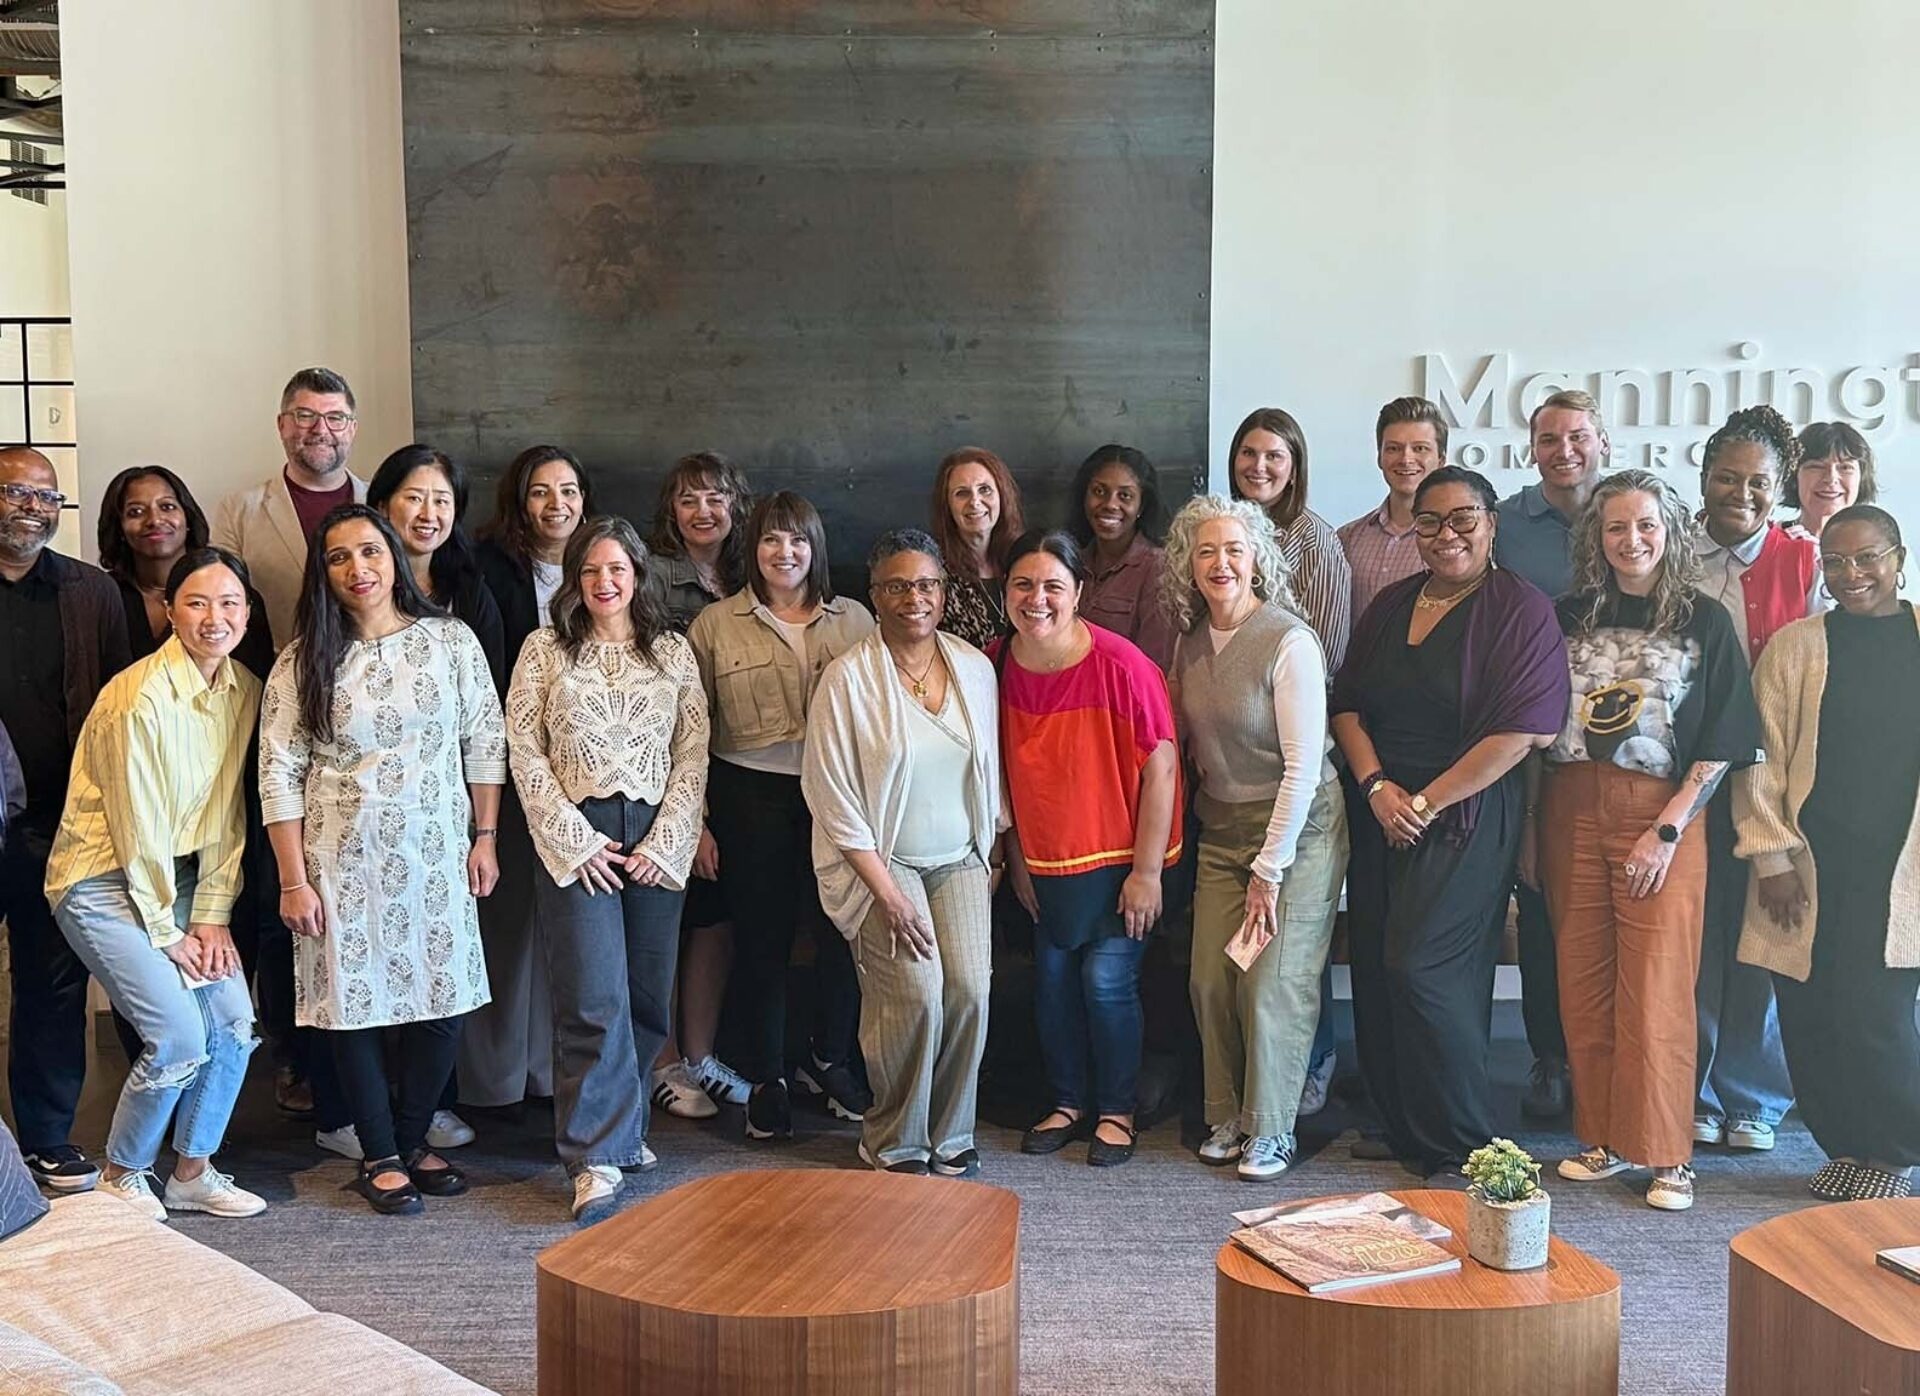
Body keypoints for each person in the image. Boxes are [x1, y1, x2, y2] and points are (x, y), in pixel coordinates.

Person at [260, 506, 506, 1215]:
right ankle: (380, 1152)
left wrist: (485, 835)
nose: (358, 569)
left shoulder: (449, 641)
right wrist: (292, 880)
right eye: (339, 558)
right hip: (340, 858)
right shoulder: (303, 657)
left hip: (436, 853)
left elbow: (484, 739)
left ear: (395, 556)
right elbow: (278, 772)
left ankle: (409, 1137)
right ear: (324, 573)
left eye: (370, 551)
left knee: (444, 1003)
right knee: (353, 1008)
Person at [1331, 466, 1568, 1175]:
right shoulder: (1394, 603)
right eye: (1429, 521)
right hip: (1381, 810)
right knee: (1378, 965)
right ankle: (1400, 1121)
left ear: (1493, 522)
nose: (1446, 534)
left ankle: (1464, 1139)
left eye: (1462, 517)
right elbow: (1346, 705)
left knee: (1425, 967)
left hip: (1465, 813)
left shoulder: (1520, 609)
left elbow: (1522, 731)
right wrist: (1376, 786)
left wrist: (1426, 802)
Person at [1535, 471, 1760, 1212]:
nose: (1631, 541)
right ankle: (1601, 1138)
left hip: (1663, 811)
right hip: (1570, 805)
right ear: (1595, 537)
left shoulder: (1704, 619)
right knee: (1585, 980)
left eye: (1646, 526)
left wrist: (1668, 828)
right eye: (1615, 528)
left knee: (1659, 988)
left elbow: (1727, 736)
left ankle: (1667, 1154)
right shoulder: (1568, 614)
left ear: (1670, 531)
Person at [44, 547, 269, 1221]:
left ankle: (193, 1173)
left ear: (247, 613)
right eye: (196, 602)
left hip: (182, 885)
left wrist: (211, 917)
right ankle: (122, 1174)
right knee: (176, 1035)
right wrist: (169, 930)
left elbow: (228, 817)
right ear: (169, 611)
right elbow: (136, 825)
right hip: (101, 880)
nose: (214, 617)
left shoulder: (246, 689)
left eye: (229, 603)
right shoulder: (137, 697)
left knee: (232, 1023)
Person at [507, 517, 709, 1221]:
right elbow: (524, 752)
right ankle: (593, 1156)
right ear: (574, 579)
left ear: (638, 574)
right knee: (592, 995)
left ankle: (624, 1130)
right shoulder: (544, 651)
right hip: (578, 836)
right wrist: (574, 837)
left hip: (656, 834)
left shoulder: (672, 652)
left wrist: (668, 838)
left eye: (616, 568)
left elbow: (693, 750)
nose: (604, 582)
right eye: (590, 570)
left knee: (647, 994)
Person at [803, 529, 1002, 1176]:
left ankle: (951, 1131)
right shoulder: (848, 679)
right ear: (875, 594)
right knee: (916, 994)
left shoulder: (975, 667)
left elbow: (989, 770)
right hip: (883, 864)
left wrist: (991, 855)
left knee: (970, 990)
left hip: (962, 858)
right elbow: (830, 795)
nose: (913, 598)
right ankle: (893, 1137)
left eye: (926, 585)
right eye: (897, 586)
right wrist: (885, 893)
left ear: (943, 592)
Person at [1737, 505, 1920, 1201]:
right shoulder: (1796, 647)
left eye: (1867, 558)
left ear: (1898, 557)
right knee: (1810, 1013)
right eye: (1836, 562)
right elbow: (1760, 763)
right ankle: (1847, 1143)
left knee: (1876, 1016)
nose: (1852, 575)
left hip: (1900, 872)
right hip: (1808, 869)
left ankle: (1894, 1148)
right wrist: (1771, 859)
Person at [1164, 497, 1347, 1180]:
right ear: (1188, 563)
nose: (1220, 563)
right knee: (1211, 978)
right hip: (1223, 825)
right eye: (1206, 551)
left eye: (1234, 550)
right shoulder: (1188, 643)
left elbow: (1303, 767)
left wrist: (1270, 866)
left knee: (1271, 982)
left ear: (1258, 559)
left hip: (1298, 830)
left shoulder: (1288, 640)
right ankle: (1227, 1113)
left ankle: (1272, 1130)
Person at [688, 491, 875, 1139]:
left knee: (843, 934)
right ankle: (767, 1078)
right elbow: (690, 732)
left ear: (815, 547)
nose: (784, 552)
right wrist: (700, 820)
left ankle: (832, 1059)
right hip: (749, 798)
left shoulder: (855, 620)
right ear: (753, 549)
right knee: (762, 942)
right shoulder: (716, 625)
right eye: (771, 539)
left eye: (797, 539)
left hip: (836, 797)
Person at [998, 530, 1181, 1168]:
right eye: (1023, 584)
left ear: (1078, 592)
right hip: (1045, 861)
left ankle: (1117, 1110)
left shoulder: (1123, 664)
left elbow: (1161, 769)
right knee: (1052, 983)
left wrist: (1147, 872)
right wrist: (1017, 857)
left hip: (1121, 860)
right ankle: (1069, 1101)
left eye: (1053, 585)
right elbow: (998, 775)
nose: (1037, 598)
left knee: (1107, 983)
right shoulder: (996, 664)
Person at [368, 443, 509, 1150]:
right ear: (385, 502)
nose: (428, 514)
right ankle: (371, 1119)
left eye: (442, 502)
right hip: (363, 816)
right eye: (415, 497)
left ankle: (428, 1106)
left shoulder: (468, 593)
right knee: (369, 960)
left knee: (441, 961)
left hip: (447, 812)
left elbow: (485, 718)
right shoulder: (356, 587)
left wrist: (484, 828)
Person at [0, 445, 132, 1192]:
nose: (33, 507)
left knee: (52, 989)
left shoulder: (90, 592)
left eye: (47, 497)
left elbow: (112, 711)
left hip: (61, 825)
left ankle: (46, 1140)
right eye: (16, 492)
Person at [1691, 405, 1817, 1154]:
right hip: (1694, 779)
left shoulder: (1806, 562)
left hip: (1774, 782)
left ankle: (1756, 1096)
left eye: (1759, 481)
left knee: (1765, 936)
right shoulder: (1672, 555)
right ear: (1704, 479)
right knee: (1699, 940)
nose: (1742, 492)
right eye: (1727, 477)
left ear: (1781, 487)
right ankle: (1697, 1089)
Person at [1227, 406, 1353, 1117]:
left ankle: (1317, 1056)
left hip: (1299, 757)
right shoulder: (1225, 530)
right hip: (1238, 761)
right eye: (1249, 454)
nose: (1261, 467)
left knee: (1299, 935)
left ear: (1295, 464)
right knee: (1256, 945)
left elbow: (1327, 651)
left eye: (1275, 456)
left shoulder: (1318, 542)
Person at [1492, 389, 1611, 1120]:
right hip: (1535, 734)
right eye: (1548, 439)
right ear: (1531, 448)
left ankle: (1611, 1060)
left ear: (1603, 440)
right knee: (1539, 904)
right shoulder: (1506, 524)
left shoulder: (1636, 509)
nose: (1563, 450)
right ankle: (1551, 1059)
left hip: (1626, 738)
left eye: (1577, 436)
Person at [472, 445, 596, 1108]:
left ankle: (553, 1075)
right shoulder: (490, 568)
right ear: (520, 501)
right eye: (543, 492)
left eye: (569, 490)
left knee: (567, 930)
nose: (558, 505)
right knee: (508, 924)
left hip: (584, 773)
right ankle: (495, 1082)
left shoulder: (602, 565)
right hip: (506, 763)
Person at [642, 452, 755, 1121]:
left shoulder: (755, 573)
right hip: (666, 772)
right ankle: (660, 1062)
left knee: (717, 918)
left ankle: (700, 1054)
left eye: (716, 498)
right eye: (689, 500)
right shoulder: (652, 578)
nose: (704, 512)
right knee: (667, 919)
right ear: (671, 510)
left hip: (737, 770)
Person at [211, 367, 369, 651]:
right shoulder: (238, 511)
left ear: (352, 429)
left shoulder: (381, 505)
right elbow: (222, 604)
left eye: (335, 418)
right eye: (305, 416)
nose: (321, 430)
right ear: (282, 424)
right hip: (273, 675)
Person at [1337, 396, 1449, 623]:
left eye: (1420, 448)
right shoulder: (1347, 538)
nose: (1406, 459)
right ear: (1379, 457)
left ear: (1441, 459)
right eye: (1394, 448)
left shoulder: (1454, 541)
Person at [1067, 445, 1176, 670]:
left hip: (1123, 700)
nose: (1110, 504)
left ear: (1141, 506)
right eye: (1099, 491)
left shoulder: (1158, 568)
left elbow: (1153, 666)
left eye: (1125, 496)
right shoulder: (1070, 562)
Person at [930, 447, 1025, 651]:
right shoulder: (933, 575)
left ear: (1002, 495)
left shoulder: (1026, 561)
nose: (974, 501)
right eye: (961, 493)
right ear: (947, 505)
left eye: (985, 489)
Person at [1785, 422, 1876, 541]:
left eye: (1845, 467)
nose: (1831, 478)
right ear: (1794, 475)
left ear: (1862, 478)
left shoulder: (1878, 546)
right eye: (1816, 466)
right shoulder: (1767, 544)